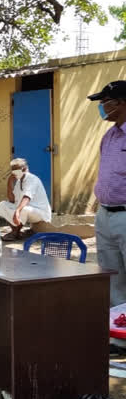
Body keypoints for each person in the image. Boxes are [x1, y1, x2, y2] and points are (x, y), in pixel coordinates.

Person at [89, 81, 126, 307]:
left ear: (121, 103)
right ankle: (119, 338)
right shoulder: (109, 136)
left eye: (105, 103)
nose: (101, 108)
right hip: (105, 215)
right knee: (113, 277)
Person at [0, 158, 51, 240]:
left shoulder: (32, 179)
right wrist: (9, 182)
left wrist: (17, 211)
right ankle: (16, 231)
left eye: (16, 171)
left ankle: (15, 233)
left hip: (40, 214)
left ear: (24, 169)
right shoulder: (19, 181)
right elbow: (12, 200)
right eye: (12, 171)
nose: (14, 173)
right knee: (2, 204)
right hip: (28, 211)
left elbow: (27, 197)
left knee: (23, 209)